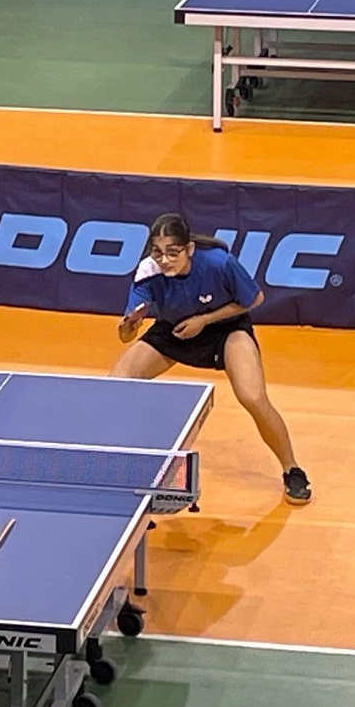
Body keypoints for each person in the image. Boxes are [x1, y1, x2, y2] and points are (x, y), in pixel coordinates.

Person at [112, 213, 312, 505]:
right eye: (157, 252)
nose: (164, 260)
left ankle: (292, 469)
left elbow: (253, 300)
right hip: (175, 329)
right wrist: (129, 325)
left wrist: (204, 320)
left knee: (253, 397)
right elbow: (125, 336)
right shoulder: (148, 271)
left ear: (189, 249)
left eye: (173, 252)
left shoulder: (218, 263)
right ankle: (123, 470)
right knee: (115, 386)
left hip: (225, 330)